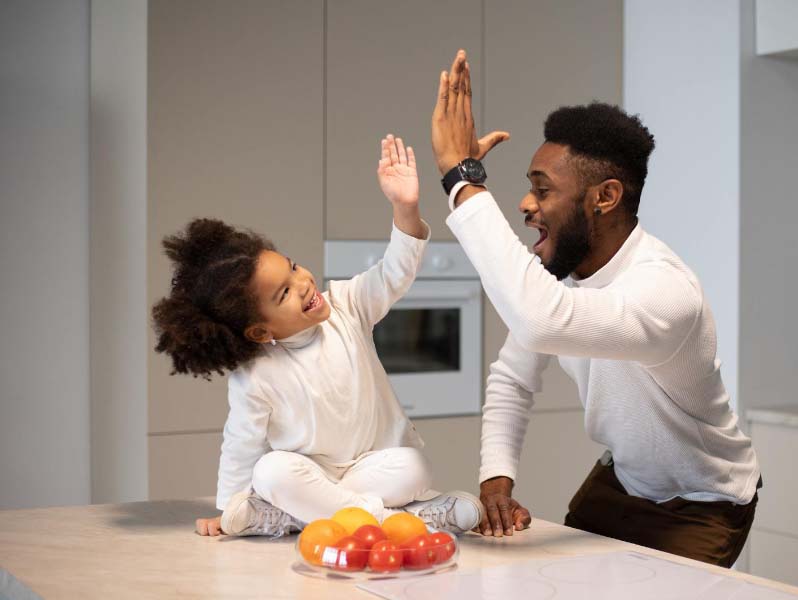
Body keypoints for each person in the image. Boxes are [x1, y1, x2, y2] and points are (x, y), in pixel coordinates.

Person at [429, 51, 761, 567]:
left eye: (542, 189)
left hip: (703, 503)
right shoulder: (559, 278)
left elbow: (540, 318)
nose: (525, 203)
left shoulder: (665, 292)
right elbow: (513, 377)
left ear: (605, 197)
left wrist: (461, 179)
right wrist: (496, 480)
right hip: (623, 479)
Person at [152, 135, 483, 538]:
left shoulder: (347, 304)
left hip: (372, 468)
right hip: (310, 475)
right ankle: (403, 521)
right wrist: (228, 511)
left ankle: (296, 517)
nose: (304, 283)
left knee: (415, 466)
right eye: (284, 293)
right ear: (260, 330)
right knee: (271, 470)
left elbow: (396, 270)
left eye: (293, 268)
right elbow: (241, 444)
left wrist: (405, 207)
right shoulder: (255, 375)